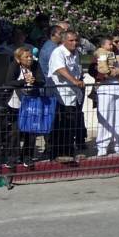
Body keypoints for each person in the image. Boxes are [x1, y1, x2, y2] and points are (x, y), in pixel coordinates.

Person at [47, 30, 85, 163]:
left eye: (76, 40)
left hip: (74, 94)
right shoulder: (58, 52)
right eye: (71, 40)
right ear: (64, 41)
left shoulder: (75, 54)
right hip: (61, 95)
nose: (75, 43)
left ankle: (69, 151)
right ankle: (57, 153)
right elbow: (60, 69)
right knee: (62, 124)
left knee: (71, 125)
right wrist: (74, 80)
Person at [4, 46, 45, 168]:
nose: (29, 59)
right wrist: (23, 81)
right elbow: (9, 82)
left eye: (31, 56)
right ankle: (13, 157)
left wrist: (34, 81)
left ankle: (27, 156)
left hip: (31, 102)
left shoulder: (36, 65)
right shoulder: (14, 66)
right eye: (26, 57)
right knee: (15, 132)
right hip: (17, 103)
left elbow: (42, 80)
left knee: (31, 131)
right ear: (18, 59)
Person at [90, 38, 119, 156]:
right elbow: (95, 70)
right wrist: (107, 73)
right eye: (110, 44)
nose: (112, 46)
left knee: (118, 118)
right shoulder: (99, 55)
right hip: (105, 88)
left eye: (113, 44)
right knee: (105, 117)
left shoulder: (117, 56)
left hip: (118, 88)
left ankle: (117, 144)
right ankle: (102, 145)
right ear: (102, 45)